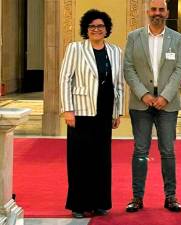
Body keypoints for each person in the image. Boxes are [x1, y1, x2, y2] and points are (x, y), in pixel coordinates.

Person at [59, 9, 124, 218]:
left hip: (104, 112)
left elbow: (119, 84)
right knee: (79, 159)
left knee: (101, 159)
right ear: (86, 29)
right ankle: (78, 205)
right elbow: (65, 79)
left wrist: (118, 111)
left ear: (107, 30)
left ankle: (100, 203)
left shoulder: (115, 51)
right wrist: (68, 109)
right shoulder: (75, 49)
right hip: (81, 112)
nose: (97, 30)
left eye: (100, 27)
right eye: (92, 27)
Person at [124, 0, 181, 213]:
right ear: (147, 11)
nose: (157, 13)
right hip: (141, 104)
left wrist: (165, 97)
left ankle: (170, 196)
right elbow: (128, 69)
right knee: (140, 150)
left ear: (167, 12)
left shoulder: (177, 39)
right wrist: (144, 94)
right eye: (153, 9)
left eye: (161, 9)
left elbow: (179, 69)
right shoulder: (134, 37)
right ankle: (137, 197)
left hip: (167, 105)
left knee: (168, 151)